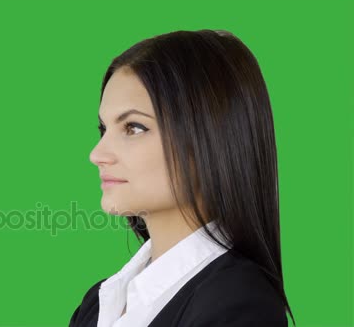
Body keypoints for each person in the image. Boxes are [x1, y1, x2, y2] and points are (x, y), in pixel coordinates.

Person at [69, 29, 295, 327]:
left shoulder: (239, 306)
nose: (97, 154)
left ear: (211, 138)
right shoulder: (98, 305)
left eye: (134, 127)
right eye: (104, 129)